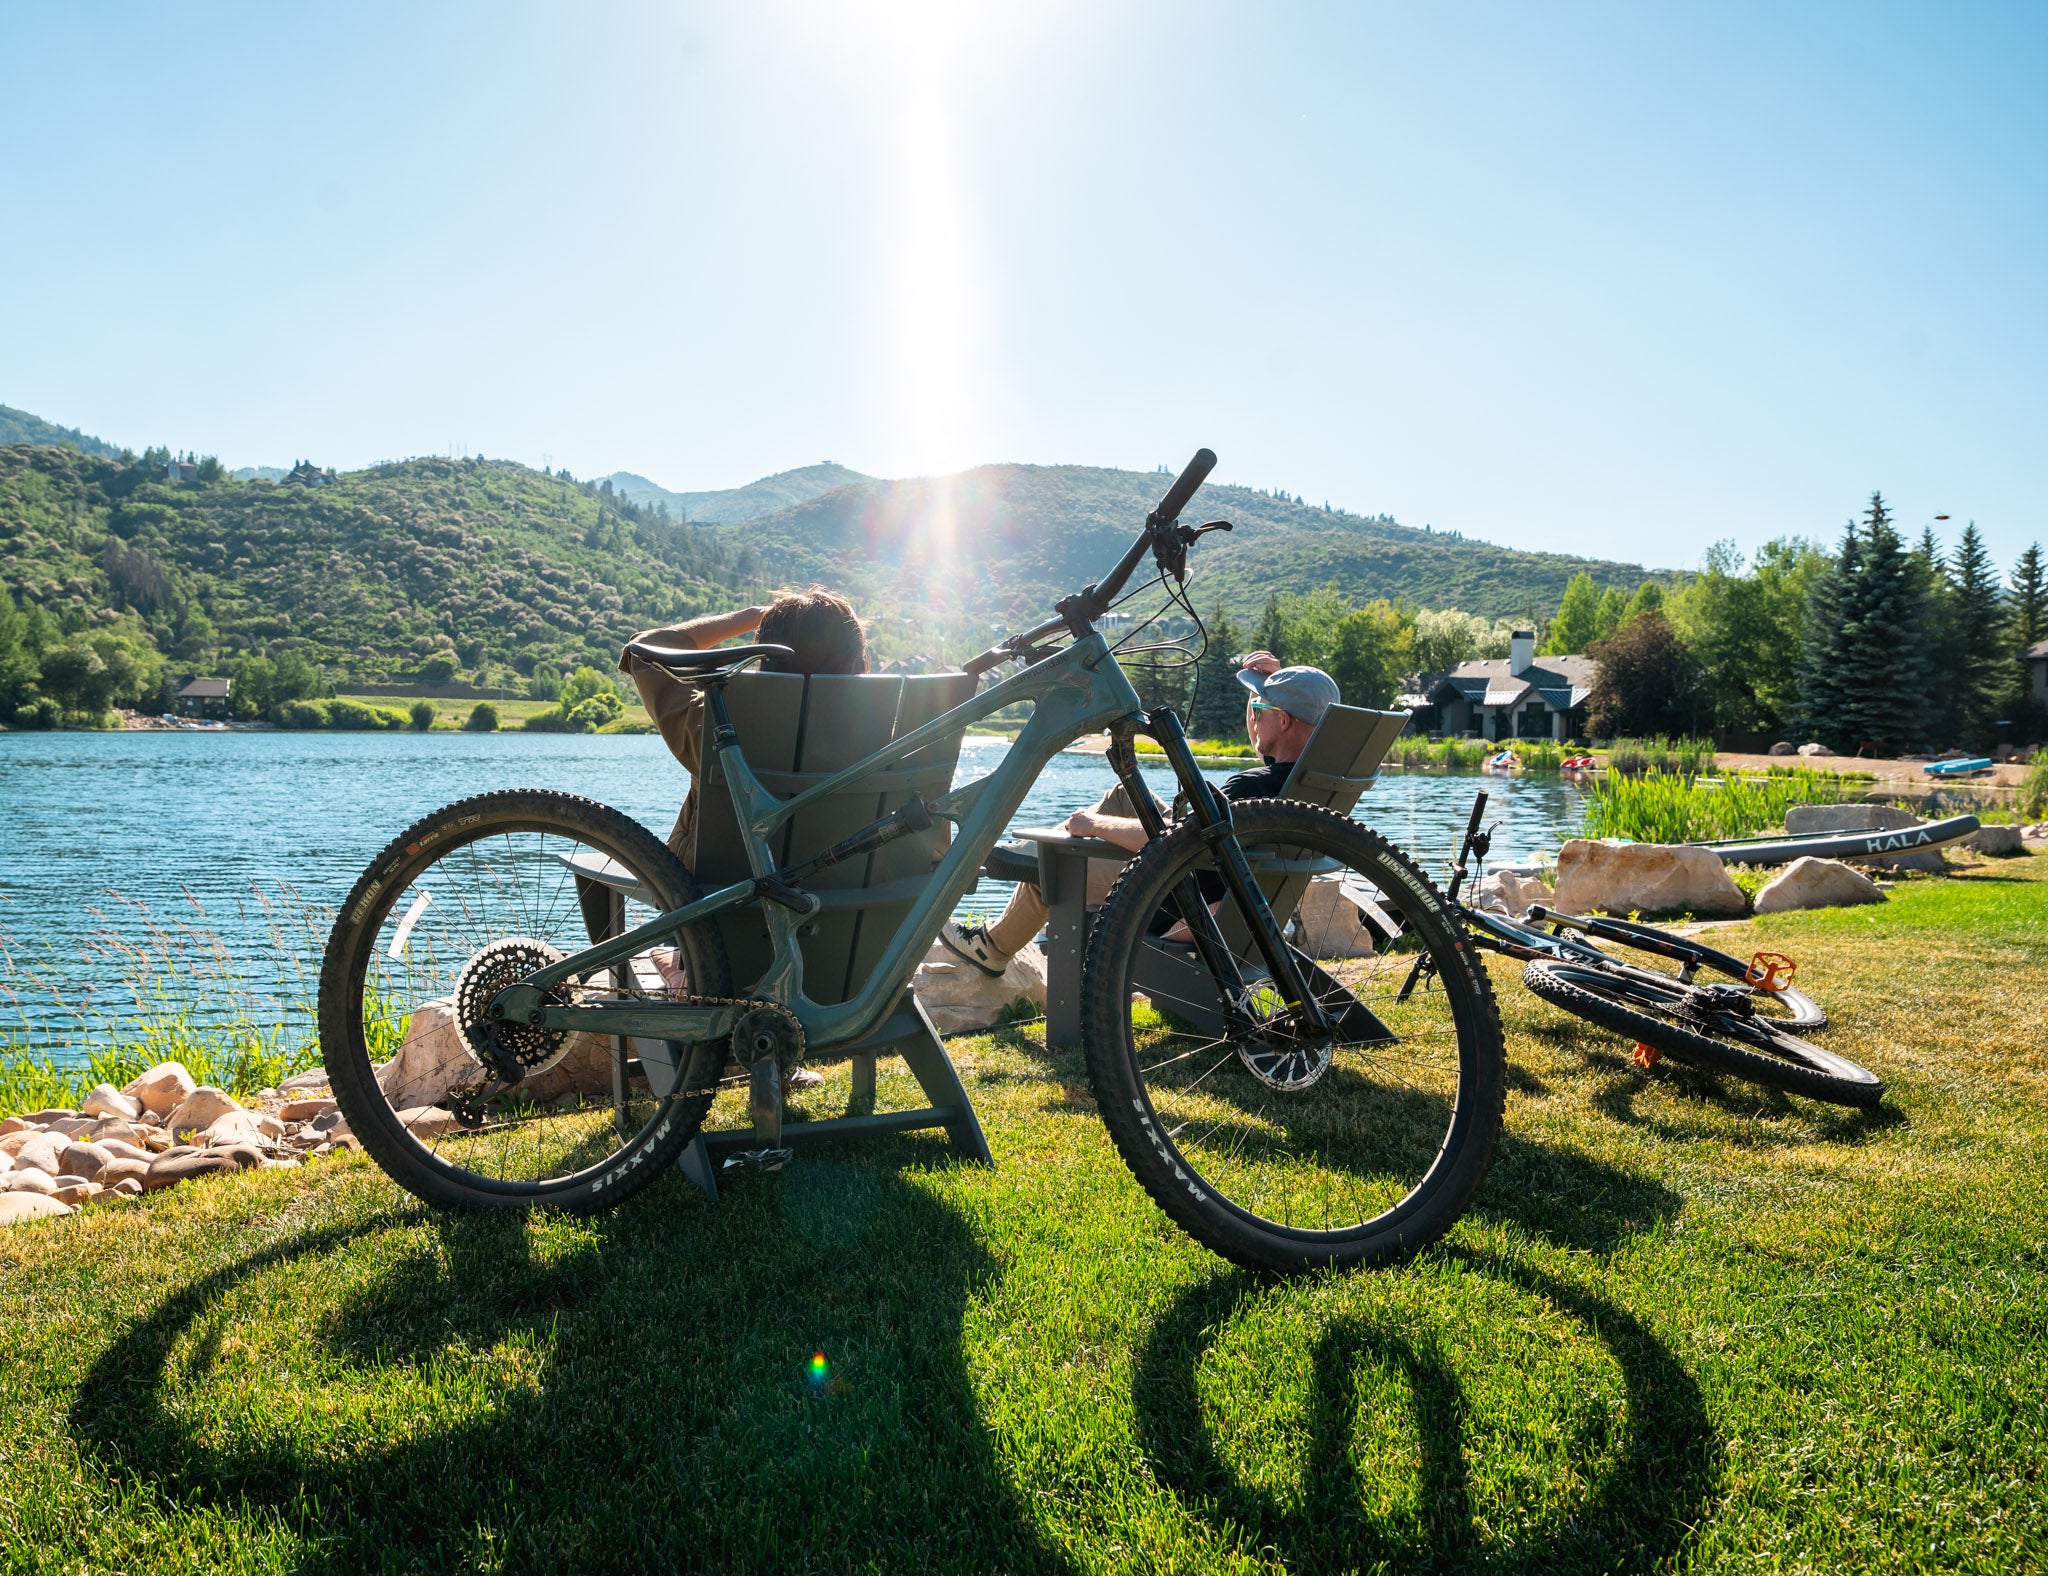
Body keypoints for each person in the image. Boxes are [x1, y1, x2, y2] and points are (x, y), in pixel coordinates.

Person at [939, 651, 1341, 975]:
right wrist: (1268, 691)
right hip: (1219, 879)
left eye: (1258, 706)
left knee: (1055, 865)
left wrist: (1091, 825)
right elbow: (1267, 741)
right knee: (1122, 794)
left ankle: (993, 946)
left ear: (1285, 720)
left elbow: (1171, 842)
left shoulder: (1247, 789)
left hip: (1175, 893)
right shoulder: (1315, 784)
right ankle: (1039, 854)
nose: (1251, 714)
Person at [618, 587, 868, 861]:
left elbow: (644, 649)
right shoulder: (883, 733)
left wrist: (750, 617)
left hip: (712, 895)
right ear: (856, 662)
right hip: (847, 896)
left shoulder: (719, 722)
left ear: (764, 655)